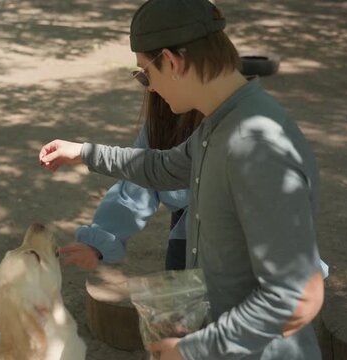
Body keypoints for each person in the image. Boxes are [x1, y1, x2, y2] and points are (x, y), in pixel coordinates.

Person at [39, 0, 326, 359]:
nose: (150, 88)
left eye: (145, 73)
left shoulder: (255, 145)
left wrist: (194, 348)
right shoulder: (220, 122)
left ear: (172, 62)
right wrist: (84, 152)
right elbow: (163, 168)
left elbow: (298, 297)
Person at [61, 92, 203, 271]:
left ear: (176, 65)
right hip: (185, 237)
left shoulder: (232, 123)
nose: (149, 87)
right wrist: (102, 237)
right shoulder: (164, 117)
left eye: (146, 74)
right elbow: (140, 182)